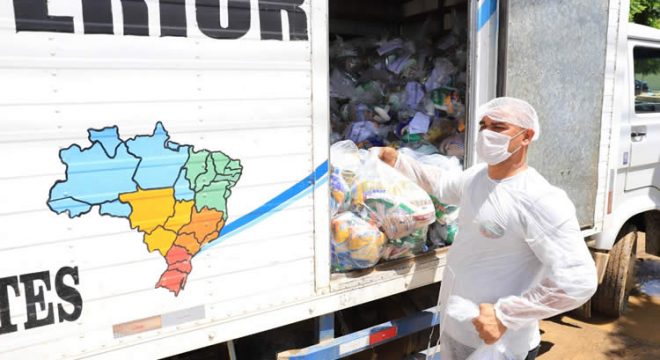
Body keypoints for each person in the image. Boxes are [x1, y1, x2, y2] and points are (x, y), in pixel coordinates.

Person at [377, 97, 598, 359]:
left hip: (500, 346)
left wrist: (505, 316)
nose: (486, 133)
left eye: (499, 127)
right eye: (484, 125)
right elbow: (440, 184)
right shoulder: (476, 177)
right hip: (456, 331)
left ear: (526, 136)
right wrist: (399, 162)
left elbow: (578, 279)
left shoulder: (539, 198)